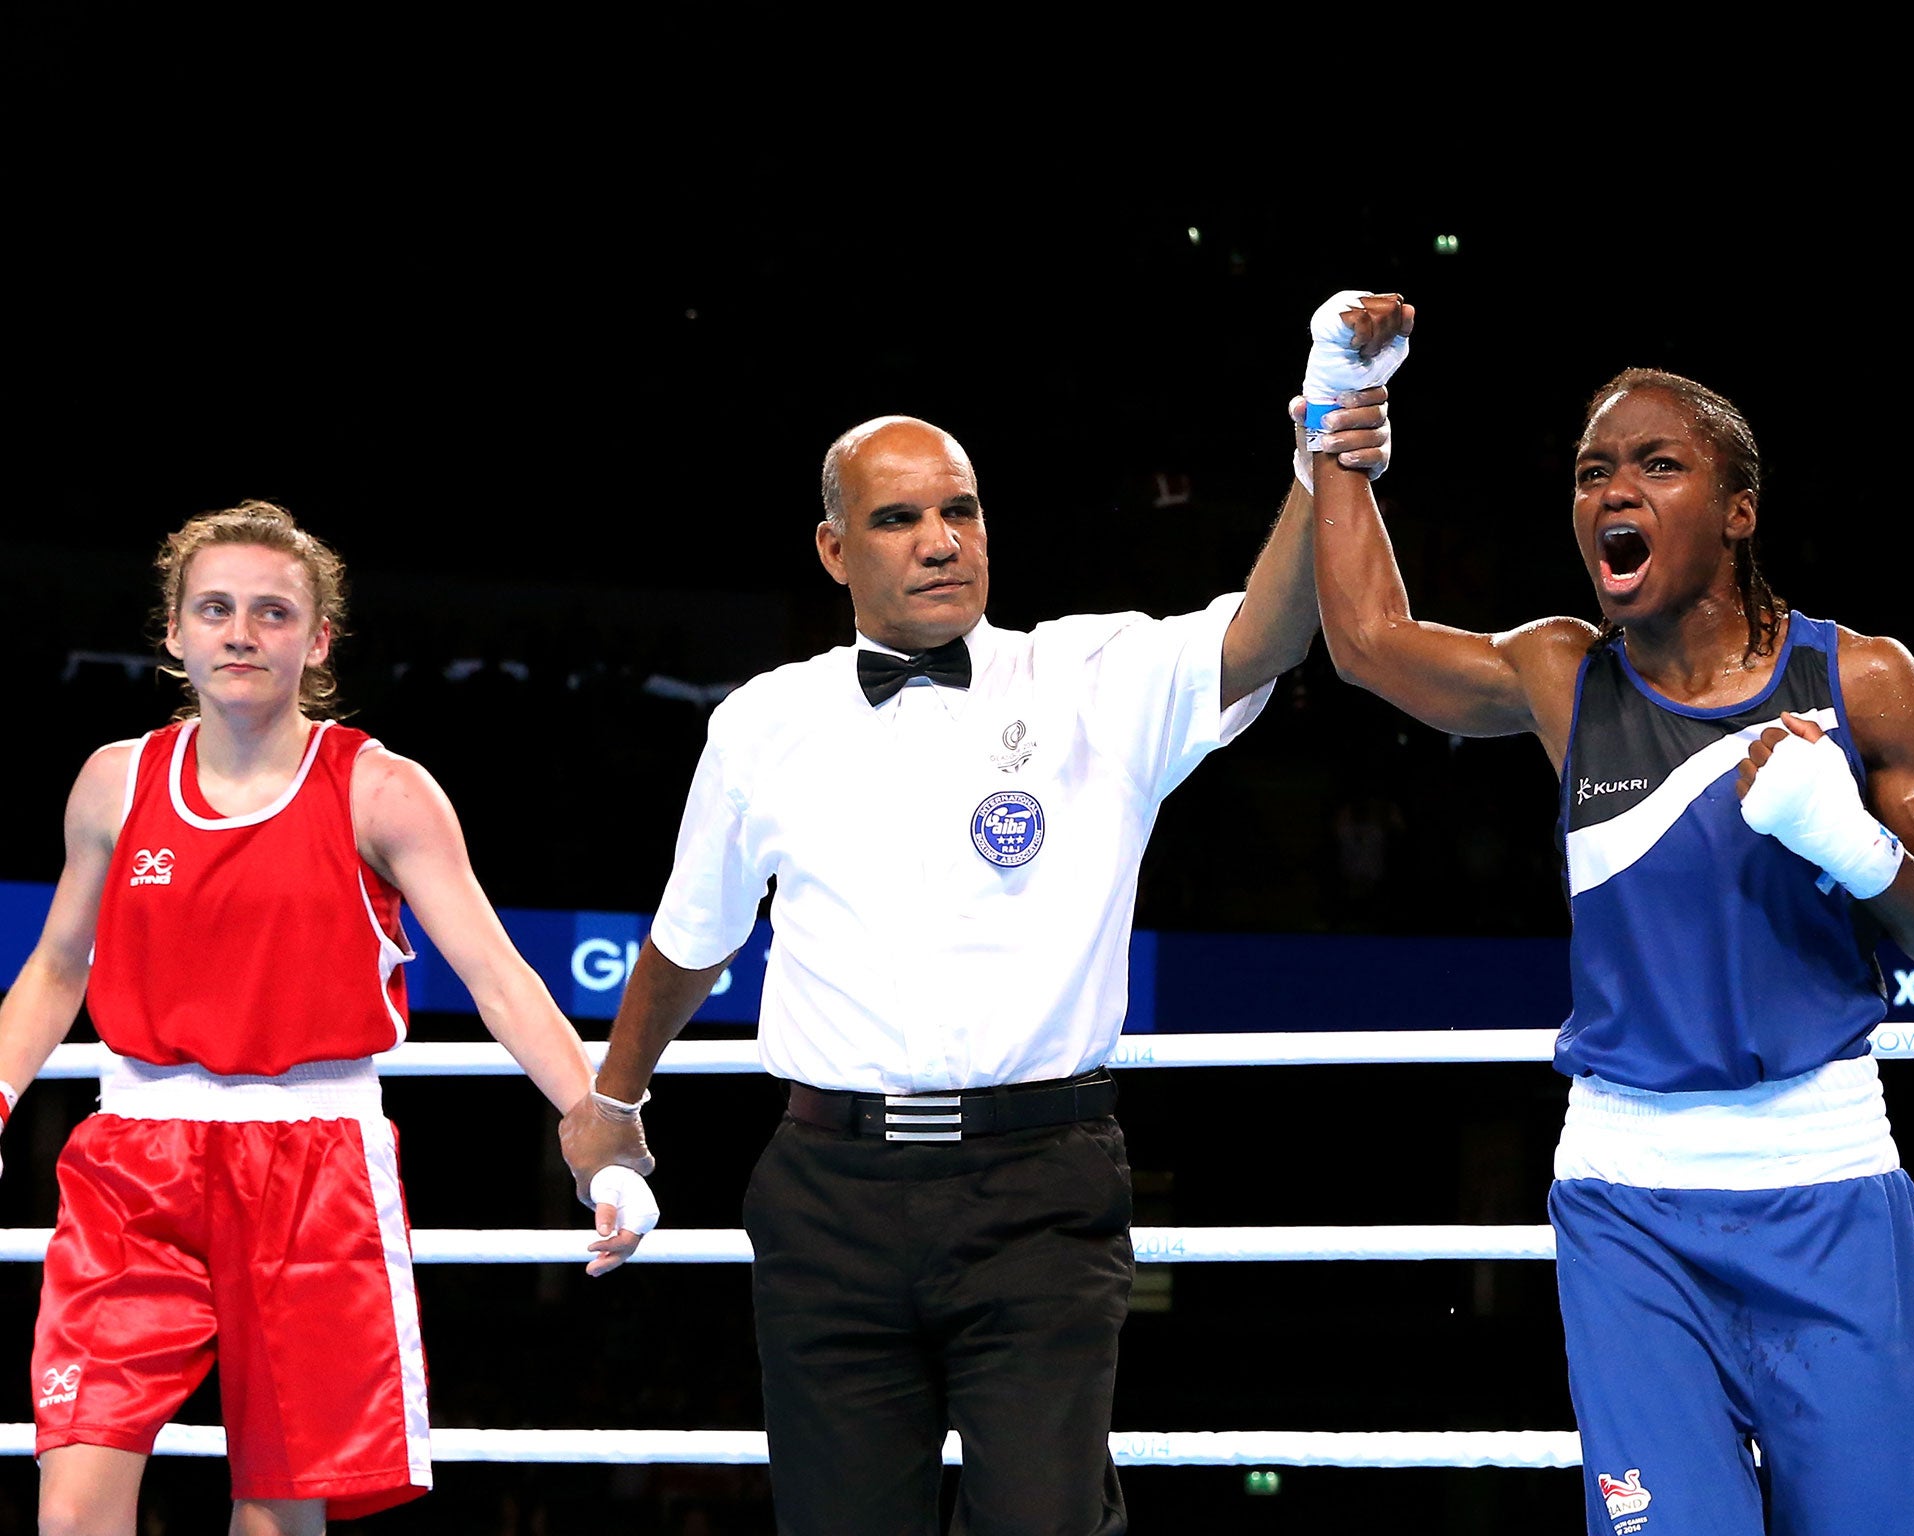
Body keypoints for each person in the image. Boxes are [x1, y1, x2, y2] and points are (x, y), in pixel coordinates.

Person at [554, 335, 1403, 1536]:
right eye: (900, 518)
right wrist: (616, 1104)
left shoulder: (1087, 678)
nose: (943, 539)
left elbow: (1260, 634)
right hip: (827, 1190)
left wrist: (1320, 449)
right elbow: (690, 938)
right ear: (833, 551)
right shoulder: (761, 724)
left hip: (1038, 1189)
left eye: (960, 510)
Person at [1302, 299, 1914, 1532]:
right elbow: (1366, 644)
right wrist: (1332, 420)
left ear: (1736, 511)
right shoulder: (1559, 674)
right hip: (1628, 1206)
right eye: (1590, 472)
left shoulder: (1858, 681)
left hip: (1827, 1191)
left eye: (1653, 463)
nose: (1610, 489)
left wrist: (1853, 847)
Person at [0, 501, 640, 1535]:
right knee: (73, 1506)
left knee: (277, 1517)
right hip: (133, 1161)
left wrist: (602, 1136)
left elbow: (500, 977)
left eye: (270, 611)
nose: (241, 633)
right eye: (215, 609)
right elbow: (56, 966)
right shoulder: (115, 785)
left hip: (311, 1165)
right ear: (174, 630)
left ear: (317, 637)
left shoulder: (381, 791)